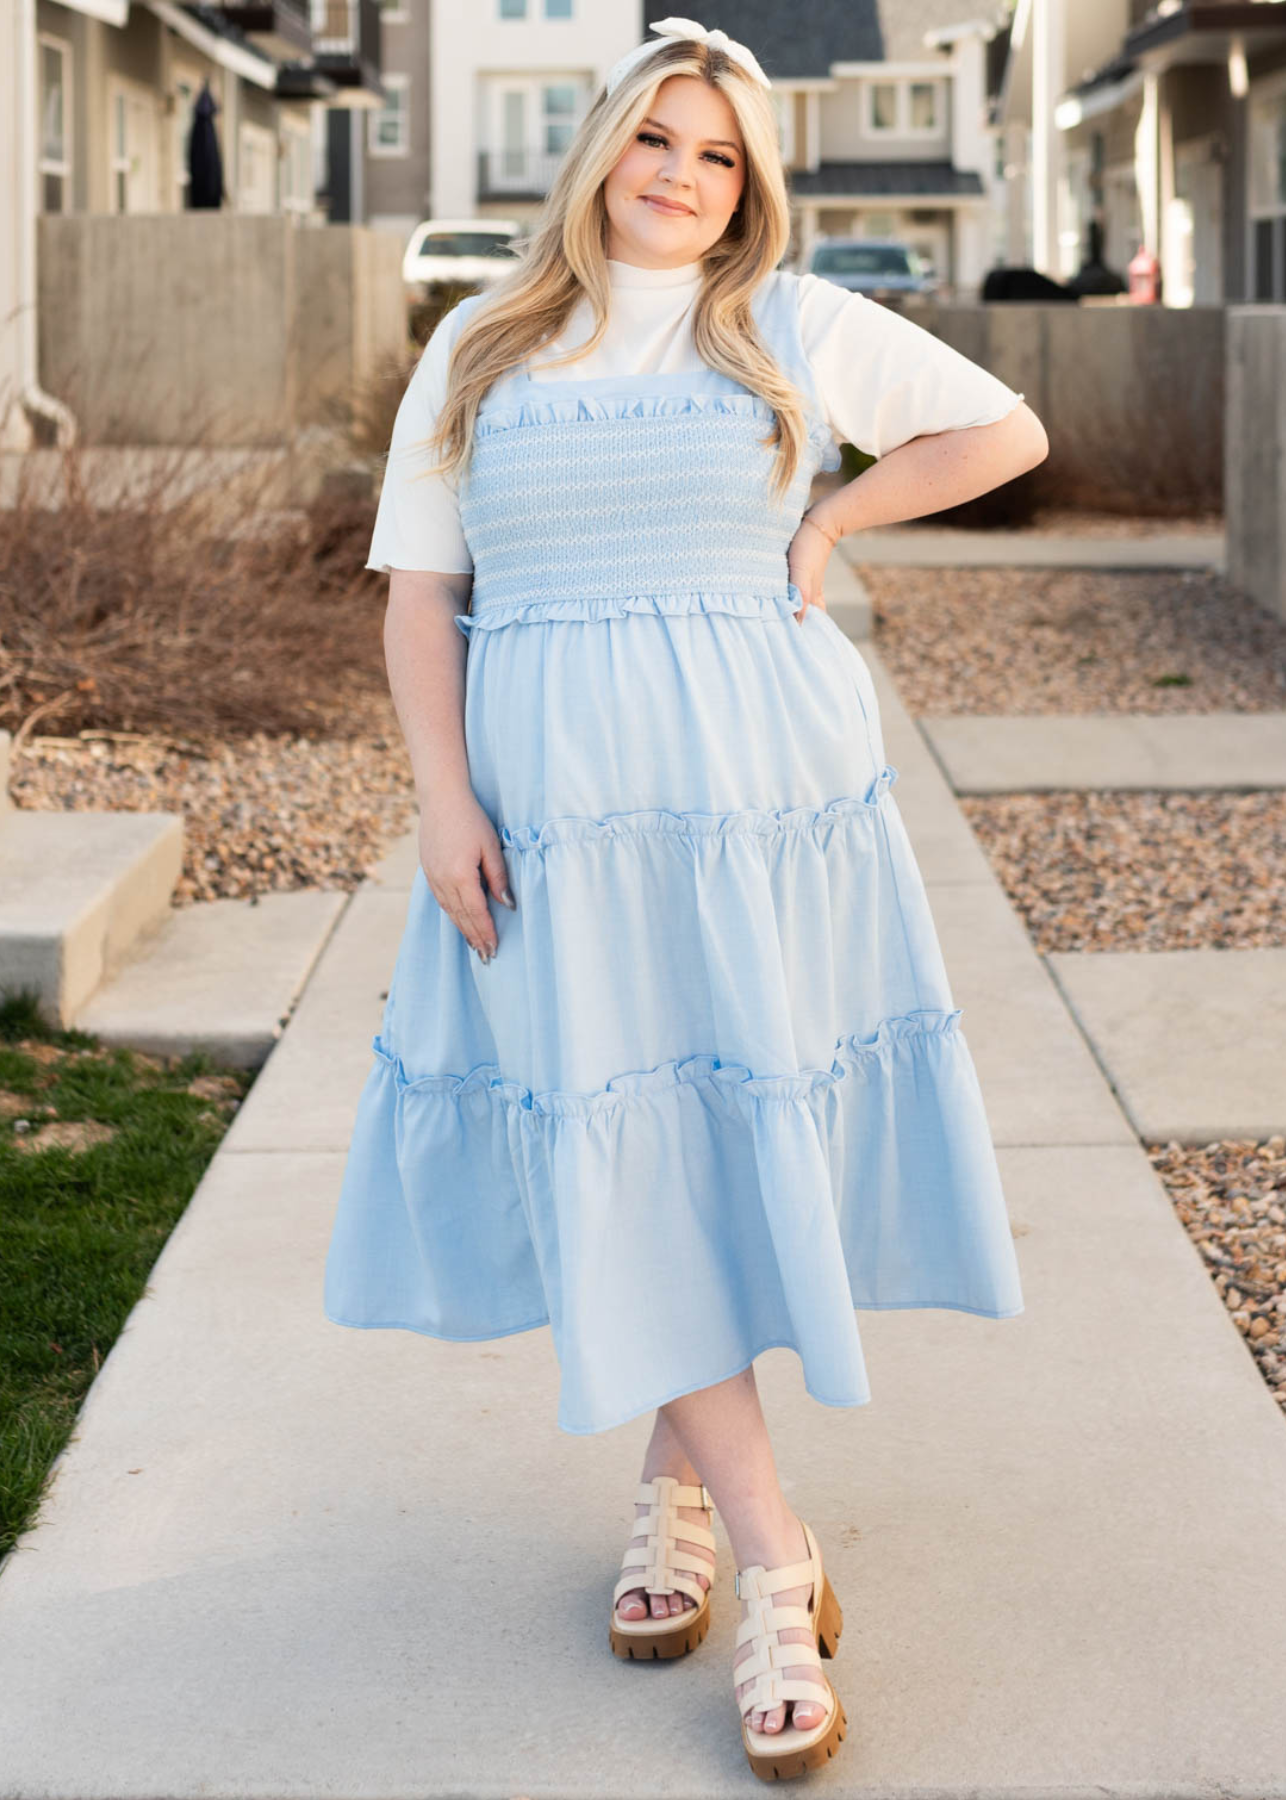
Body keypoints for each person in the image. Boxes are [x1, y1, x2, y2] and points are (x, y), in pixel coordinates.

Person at [323, 15, 1048, 1781]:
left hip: (758, 797)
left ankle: (712, 1524)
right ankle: (765, 1542)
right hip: (555, 808)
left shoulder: (787, 324)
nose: (679, 176)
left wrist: (826, 527)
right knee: (626, 1122)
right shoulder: (479, 348)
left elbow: (1003, 428)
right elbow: (423, 599)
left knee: (703, 1125)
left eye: (715, 155)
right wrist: (440, 798)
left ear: (746, 187)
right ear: (599, 148)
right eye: (657, 139)